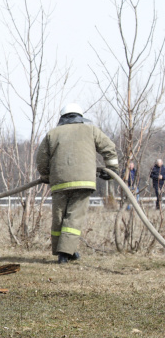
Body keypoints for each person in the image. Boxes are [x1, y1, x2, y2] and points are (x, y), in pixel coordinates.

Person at [36, 103, 118, 264]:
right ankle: (65, 253)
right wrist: (111, 169)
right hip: (84, 181)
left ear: (62, 117)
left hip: (59, 182)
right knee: (74, 217)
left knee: (59, 216)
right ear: (80, 116)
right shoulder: (91, 130)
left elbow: (41, 159)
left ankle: (64, 251)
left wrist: (45, 175)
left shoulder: (52, 134)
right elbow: (109, 148)